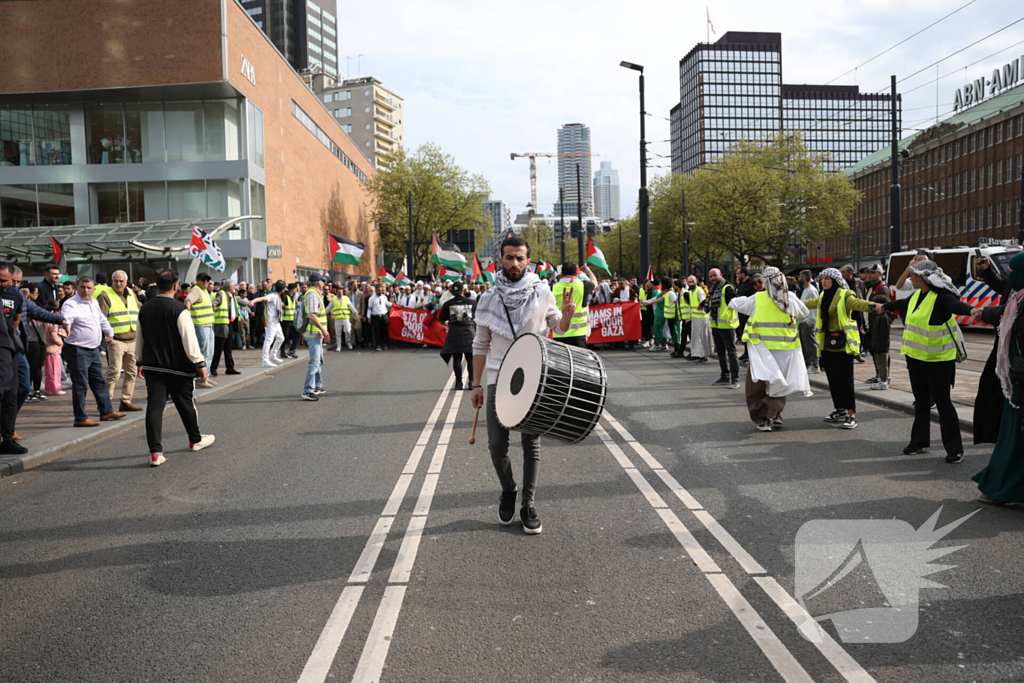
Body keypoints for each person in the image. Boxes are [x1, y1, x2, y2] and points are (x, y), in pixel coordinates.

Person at [472, 235, 576, 535]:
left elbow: (558, 327)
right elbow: (481, 344)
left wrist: (567, 317)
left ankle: (528, 504)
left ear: (528, 261)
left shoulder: (543, 292)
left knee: (531, 444)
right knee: (496, 445)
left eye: (520, 258)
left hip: (534, 379)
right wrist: (476, 385)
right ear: (500, 261)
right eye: (509, 257)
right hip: (497, 380)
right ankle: (508, 489)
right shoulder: (488, 298)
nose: (515, 263)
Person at [877, 259, 975, 462]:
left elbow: (956, 305)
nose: (910, 278)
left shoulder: (941, 297)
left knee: (943, 404)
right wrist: (883, 306)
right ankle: (918, 442)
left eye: (912, 274)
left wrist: (972, 311)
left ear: (923, 278)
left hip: (938, 361)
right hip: (916, 359)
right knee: (921, 403)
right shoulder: (916, 296)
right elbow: (901, 303)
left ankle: (955, 449)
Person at [136, 269, 215, 467]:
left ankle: (155, 452)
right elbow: (189, 339)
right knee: (185, 404)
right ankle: (195, 439)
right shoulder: (179, 309)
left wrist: (139, 361)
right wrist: (200, 363)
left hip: (153, 366)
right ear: (175, 286)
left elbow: (140, 338)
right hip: (178, 367)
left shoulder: (144, 308)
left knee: (154, 408)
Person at [728, 267, 811, 432]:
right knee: (779, 384)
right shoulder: (791, 298)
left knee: (758, 384)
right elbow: (805, 314)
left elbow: (736, 304)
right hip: (786, 349)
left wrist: (730, 295)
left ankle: (764, 418)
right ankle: (776, 413)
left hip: (762, 350)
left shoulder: (758, 298)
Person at [970, 252, 1024, 502]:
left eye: (1013, 270)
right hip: (1013, 373)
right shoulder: (1018, 294)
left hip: (1019, 379)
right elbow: (1005, 289)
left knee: (1014, 435)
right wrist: (987, 272)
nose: (1010, 274)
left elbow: (1005, 312)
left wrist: (984, 313)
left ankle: (1003, 486)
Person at [804, 268, 875, 429]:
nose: (823, 281)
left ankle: (851, 414)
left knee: (846, 381)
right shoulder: (823, 296)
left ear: (835, 280)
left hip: (843, 345)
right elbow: (807, 304)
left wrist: (877, 306)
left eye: (827, 279)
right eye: (822, 279)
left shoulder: (845, 294)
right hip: (827, 345)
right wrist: (787, 303)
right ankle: (839, 410)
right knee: (833, 380)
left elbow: (859, 304)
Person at [60, 276, 125, 427]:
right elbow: (66, 318)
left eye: (89, 288)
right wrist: (64, 328)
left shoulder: (94, 302)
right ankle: (80, 417)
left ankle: (106, 411)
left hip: (93, 349)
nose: (86, 291)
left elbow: (102, 319)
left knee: (98, 382)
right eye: (83, 287)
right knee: (80, 384)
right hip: (78, 349)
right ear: (77, 288)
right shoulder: (71, 304)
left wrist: (109, 332)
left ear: (94, 290)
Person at [95, 270, 142, 412]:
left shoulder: (131, 293)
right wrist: (106, 335)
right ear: (111, 281)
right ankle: (106, 404)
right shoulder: (105, 294)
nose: (118, 283)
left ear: (126, 282)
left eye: (121, 281)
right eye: (116, 281)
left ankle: (126, 401)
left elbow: (138, 309)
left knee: (131, 372)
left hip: (133, 339)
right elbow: (101, 317)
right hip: (116, 340)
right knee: (114, 372)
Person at [705, 268, 741, 388]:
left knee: (731, 352)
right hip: (716, 325)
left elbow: (735, 301)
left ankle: (735, 379)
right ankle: (725, 376)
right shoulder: (713, 289)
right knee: (721, 353)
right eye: (710, 276)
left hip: (727, 326)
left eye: (714, 275)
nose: (712, 278)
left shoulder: (727, 287)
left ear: (720, 275)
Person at [439, 281, 476, 390]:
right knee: (470, 358)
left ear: (452, 291)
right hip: (469, 332)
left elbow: (441, 320)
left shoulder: (448, 304)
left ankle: (458, 382)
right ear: (463, 290)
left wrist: (447, 322)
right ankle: (471, 382)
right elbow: (479, 317)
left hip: (455, 332)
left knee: (457, 358)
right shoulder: (472, 302)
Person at [300, 273, 330, 401]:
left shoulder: (314, 294)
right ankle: (308, 390)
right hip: (315, 333)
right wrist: (324, 330)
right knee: (315, 362)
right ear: (318, 283)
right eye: (323, 281)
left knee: (319, 360)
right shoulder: (313, 295)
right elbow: (311, 315)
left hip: (313, 333)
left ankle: (317, 386)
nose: (324, 284)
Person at [183, 273, 216, 387]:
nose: (206, 282)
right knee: (203, 353)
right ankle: (199, 379)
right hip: (201, 326)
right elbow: (188, 300)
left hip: (208, 325)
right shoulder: (196, 290)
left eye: (207, 280)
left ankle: (205, 377)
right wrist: (186, 314)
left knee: (210, 353)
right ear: (197, 281)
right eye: (203, 280)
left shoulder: (205, 291)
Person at [552, 262, 594, 348]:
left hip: (559, 334)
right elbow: (595, 283)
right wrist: (589, 272)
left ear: (561, 273)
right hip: (578, 335)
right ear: (576, 273)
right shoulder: (584, 286)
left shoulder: (552, 288)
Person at [0, 298, 20, 456]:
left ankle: (8, 438)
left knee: (13, 393)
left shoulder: (14, 296)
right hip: (4, 348)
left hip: (9, 347)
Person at [210, 280, 240, 377]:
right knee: (218, 348)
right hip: (222, 324)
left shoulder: (232, 296)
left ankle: (230, 368)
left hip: (230, 323)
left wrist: (248, 303)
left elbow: (238, 302)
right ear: (230, 287)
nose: (235, 287)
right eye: (234, 285)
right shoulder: (221, 293)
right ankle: (213, 368)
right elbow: (217, 300)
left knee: (228, 348)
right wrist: (213, 304)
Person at [255, 280, 286, 367]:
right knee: (269, 339)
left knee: (280, 338)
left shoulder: (276, 295)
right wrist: (253, 301)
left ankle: (273, 355)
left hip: (276, 320)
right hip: (270, 321)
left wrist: (280, 304)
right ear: (283, 290)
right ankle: (265, 360)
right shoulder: (272, 295)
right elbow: (262, 298)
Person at [797, 270, 819, 374]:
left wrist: (811, 321)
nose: (798, 279)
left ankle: (815, 365)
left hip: (808, 322)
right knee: (805, 344)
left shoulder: (811, 290)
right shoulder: (805, 290)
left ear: (804, 278)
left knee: (810, 344)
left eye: (800, 277)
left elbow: (814, 307)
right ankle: (808, 363)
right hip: (803, 322)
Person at [43, 300, 67, 396]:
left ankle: (48, 388)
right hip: (53, 348)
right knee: (54, 370)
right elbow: (54, 337)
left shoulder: (44, 321)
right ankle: (55, 389)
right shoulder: (53, 323)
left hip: (46, 348)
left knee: (49, 371)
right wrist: (60, 343)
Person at [686, 275, 711, 364]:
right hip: (696, 317)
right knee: (695, 337)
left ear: (696, 281)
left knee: (701, 338)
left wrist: (701, 305)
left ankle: (703, 356)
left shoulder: (699, 290)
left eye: (693, 281)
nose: (691, 283)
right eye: (689, 282)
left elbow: (703, 301)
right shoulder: (691, 292)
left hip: (701, 318)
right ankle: (696, 354)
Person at [734, 267, 755, 363]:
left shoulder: (750, 284)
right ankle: (746, 353)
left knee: (749, 334)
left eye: (738, 273)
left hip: (748, 313)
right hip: (742, 313)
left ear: (743, 274)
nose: (737, 275)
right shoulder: (741, 284)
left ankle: (749, 354)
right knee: (743, 333)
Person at [327, 286, 355, 350]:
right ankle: (339, 345)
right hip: (337, 319)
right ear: (336, 292)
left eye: (342, 292)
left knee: (348, 331)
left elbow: (351, 306)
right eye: (339, 292)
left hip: (346, 318)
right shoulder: (333, 299)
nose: (340, 293)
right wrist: (323, 313)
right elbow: (328, 308)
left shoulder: (346, 298)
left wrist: (355, 313)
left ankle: (348, 342)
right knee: (338, 333)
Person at [367, 284, 390, 351]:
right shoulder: (371, 298)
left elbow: (387, 304)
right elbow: (369, 308)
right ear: (376, 291)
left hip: (383, 315)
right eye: (379, 290)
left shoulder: (384, 297)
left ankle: (384, 343)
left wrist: (393, 304)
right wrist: (369, 317)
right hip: (375, 316)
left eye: (381, 290)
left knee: (384, 331)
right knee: (377, 331)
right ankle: (378, 345)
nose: (380, 291)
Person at [281, 283, 299, 359]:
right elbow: (281, 305)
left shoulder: (294, 297)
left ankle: (292, 350)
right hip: (285, 321)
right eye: (296, 289)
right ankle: (282, 352)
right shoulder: (284, 296)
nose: (297, 291)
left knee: (298, 334)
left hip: (293, 320)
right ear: (293, 289)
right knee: (285, 337)